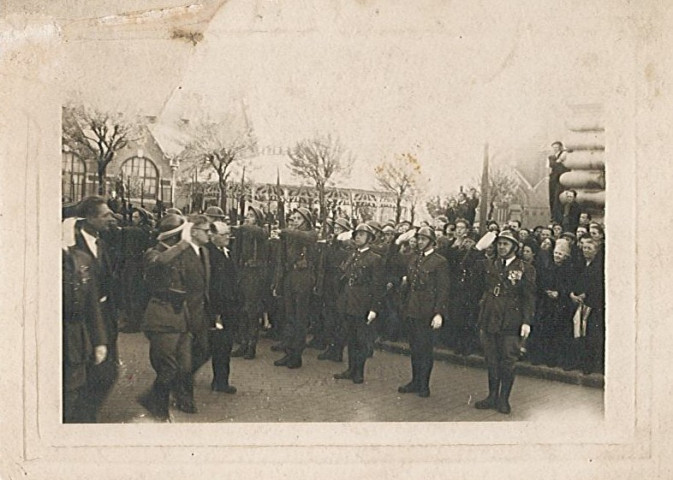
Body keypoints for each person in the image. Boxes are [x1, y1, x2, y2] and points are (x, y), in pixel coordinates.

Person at [137, 213, 194, 420]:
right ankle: (157, 404)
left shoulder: (180, 254)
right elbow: (160, 262)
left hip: (181, 316)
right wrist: (184, 245)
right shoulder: (153, 253)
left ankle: (170, 397)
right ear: (174, 237)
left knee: (185, 365)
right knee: (167, 366)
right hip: (161, 315)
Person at [474, 230, 536, 414]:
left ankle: (503, 399)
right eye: (499, 243)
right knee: (491, 360)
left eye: (506, 244)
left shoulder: (526, 268)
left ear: (515, 247)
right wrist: (478, 248)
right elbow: (468, 266)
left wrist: (526, 321)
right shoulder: (489, 264)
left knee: (508, 361)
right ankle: (492, 396)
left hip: (511, 319)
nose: (501, 247)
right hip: (490, 316)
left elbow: (529, 298)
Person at [71, 196, 119, 421]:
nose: (112, 218)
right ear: (88, 218)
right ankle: (84, 419)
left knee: (108, 372)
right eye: (105, 215)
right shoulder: (72, 245)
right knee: (88, 372)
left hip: (105, 317)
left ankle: (87, 414)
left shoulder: (102, 243)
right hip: (84, 320)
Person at [61, 217, 109, 423]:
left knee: (74, 386)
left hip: (75, 335)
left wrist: (99, 341)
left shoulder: (80, 259)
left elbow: (92, 306)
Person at [398, 227, 449, 397]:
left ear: (432, 242)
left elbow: (443, 289)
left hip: (427, 311)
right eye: (418, 239)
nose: (420, 242)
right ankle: (415, 380)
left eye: (423, 239)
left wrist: (438, 313)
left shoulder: (439, 261)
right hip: (413, 308)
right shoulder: (414, 259)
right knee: (414, 348)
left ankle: (424, 384)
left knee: (425, 349)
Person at [333, 224, 385, 384]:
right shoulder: (352, 255)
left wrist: (374, 308)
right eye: (356, 234)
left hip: (362, 303)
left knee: (361, 339)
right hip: (348, 301)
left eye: (362, 235)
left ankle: (359, 372)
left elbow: (377, 286)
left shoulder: (375, 259)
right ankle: (350, 369)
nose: (358, 237)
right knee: (350, 337)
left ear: (369, 238)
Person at [271, 207, 318, 369]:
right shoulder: (290, 235)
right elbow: (281, 260)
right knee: (289, 317)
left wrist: (284, 230)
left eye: (299, 218)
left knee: (300, 318)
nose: (296, 221)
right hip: (290, 276)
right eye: (294, 218)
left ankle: (297, 356)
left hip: (303, 277)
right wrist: (278, 283)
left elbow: (306, 237)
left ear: (306, 220)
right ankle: (289, 352)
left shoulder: (310, 234)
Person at [205, 221, 241, 392]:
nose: (228, 237)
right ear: (212, 236)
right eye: (223, 234)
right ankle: (219, 382)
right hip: (217, 308)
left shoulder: (226, 252)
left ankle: (220, 381)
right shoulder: (209, 255)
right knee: (217, 345)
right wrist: (216, 310)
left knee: (223, 346)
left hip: (228, 307)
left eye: (228, 234)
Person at [230, 206, 270, 359]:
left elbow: (261, 233)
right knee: (242, 310)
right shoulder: (243, 233)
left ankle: (251, 346)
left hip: (255, 274)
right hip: (243, 273)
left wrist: (241, 226)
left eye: (252, 215)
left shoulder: (260, 231)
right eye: (247, 215)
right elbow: (236, 253)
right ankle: (243, 343)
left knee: (252, 311)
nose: (248, 217)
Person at [316, 217, 353, 361]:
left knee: (338, 319)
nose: (336, 230)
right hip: (330, 282)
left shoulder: (347, 243)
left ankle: (336, 349)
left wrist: (338, 241)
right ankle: (331, 348)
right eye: (335, 228)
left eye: (339, 228)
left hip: (339, 283)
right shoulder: (334, 243)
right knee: (329, 317)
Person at [548, 141, 570, 222]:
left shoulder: (564, 154)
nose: (555, 149)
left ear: (560, 147)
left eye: (557, 147)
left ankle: (558, 217)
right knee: (552, 198)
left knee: (558, 197)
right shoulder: (551, 157)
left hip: (561, 179)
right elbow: (552, 166)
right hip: (553, 179)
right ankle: (553, 216)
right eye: (554, 148)